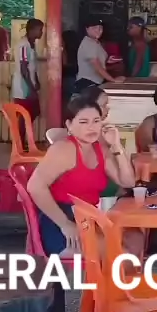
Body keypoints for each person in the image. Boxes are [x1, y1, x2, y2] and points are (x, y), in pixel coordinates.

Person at [27, 95, 139, 256]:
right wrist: (65, 224)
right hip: (62, 222)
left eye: (96, 121)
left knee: (136, 238)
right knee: (123, 256)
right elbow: (35, 186)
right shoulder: (64, 149)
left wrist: (116, 145)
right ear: (69, 125)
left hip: (90, 219)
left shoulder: (100, 149)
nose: (91, 127)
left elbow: (127, 182)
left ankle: (107, 273)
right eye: (83, 122)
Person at [11, 18, 43, 150]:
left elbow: (31, 67)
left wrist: (37, 80)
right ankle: (20, 143)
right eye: (40, 30)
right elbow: (24, 69)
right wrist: (31, 89)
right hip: (23, 87)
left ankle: (22, 141)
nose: (41, 33)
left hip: (29, 85)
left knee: (32, 113)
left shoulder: (31, 45)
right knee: (25, 115)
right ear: (32, 30)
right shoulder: (23, 45)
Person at [75, 18, 124, 92]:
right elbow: (97, 66)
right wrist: (113, 80)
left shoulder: (96, 43)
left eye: (100, 28)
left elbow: (98, 60)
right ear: (87, 29)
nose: (98, 30)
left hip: (96, 82)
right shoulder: (88, 44)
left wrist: (108, 60)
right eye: (94, 28)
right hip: (87, 83)